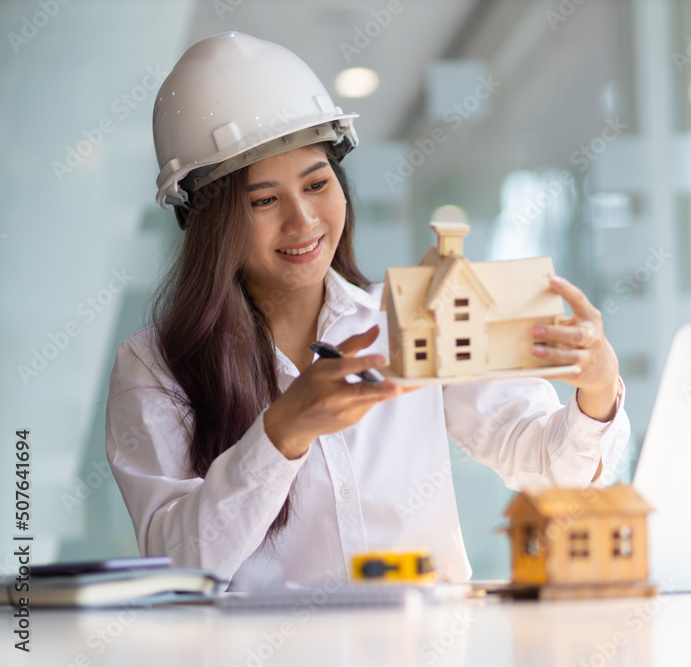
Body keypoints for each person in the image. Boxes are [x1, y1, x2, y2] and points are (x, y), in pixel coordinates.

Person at [105, 32, 631, 591]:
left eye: (316, 183)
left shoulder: (409, 315)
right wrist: (282, 433)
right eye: (263, 200)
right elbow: (175, 568)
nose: (303, 220)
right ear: (209, 223)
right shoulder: (156, 366)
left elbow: (555, 473)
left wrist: (595, 392)